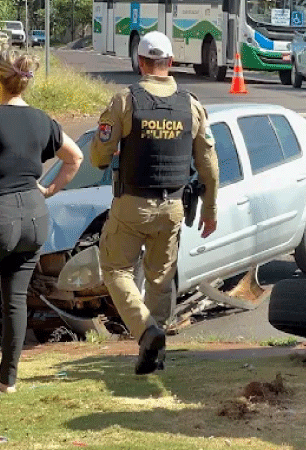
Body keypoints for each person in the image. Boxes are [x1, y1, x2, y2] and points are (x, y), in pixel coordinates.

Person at [91, 31, 219, 375]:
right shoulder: (190, 104)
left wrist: (105, 157)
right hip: (174, 207)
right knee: (161, 280)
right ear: (171, 63)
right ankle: (155, 354)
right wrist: (210, 209)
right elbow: (209, 165)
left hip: (133, 204)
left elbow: (100, 155)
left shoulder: (124, 100)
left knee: (116, 269)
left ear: (141, 63)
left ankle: (148, 331)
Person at [0, 45, 83, 393]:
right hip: (35, 216)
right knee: (15, 300)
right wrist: (48, 191)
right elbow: (74, 157)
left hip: (2, 213)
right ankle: (8, 380)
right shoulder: (40, 119)